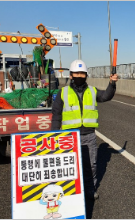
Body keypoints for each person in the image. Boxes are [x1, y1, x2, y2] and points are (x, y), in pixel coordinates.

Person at [51, 59, 118, 200]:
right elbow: (56, 115)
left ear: (86, 75)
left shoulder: (92, 91)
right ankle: (70, 192)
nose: (79, 76)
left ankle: (89, 189)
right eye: (76, 73)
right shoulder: (62, 92)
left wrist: (112, 84)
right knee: (69, 167)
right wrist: (54, 134)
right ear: (71, 75)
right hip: (69, 136)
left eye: (82, 74)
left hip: (89, 135)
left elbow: (106, 96)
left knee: (91, 166)